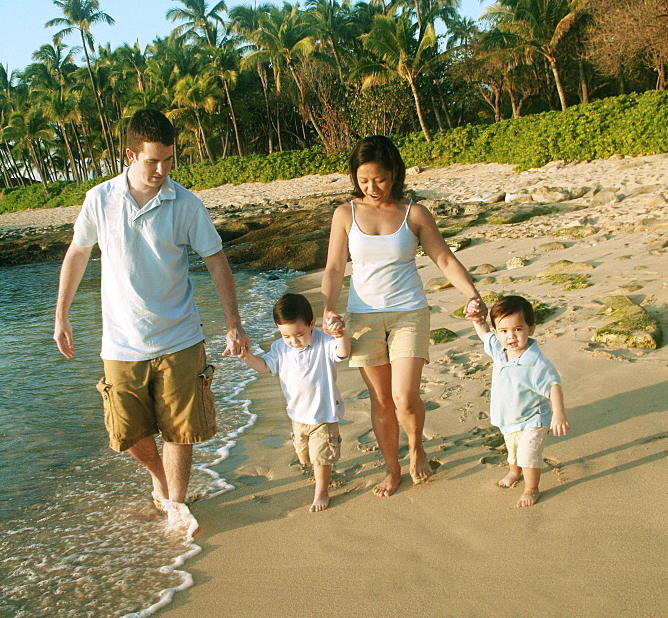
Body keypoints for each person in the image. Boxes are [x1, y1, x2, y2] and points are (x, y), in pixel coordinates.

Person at [53, 108, 249, 536]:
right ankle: (159, 479)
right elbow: (78, 253)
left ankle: (175, 504)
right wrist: (61, 314)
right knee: (127, 433)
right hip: (121, 343)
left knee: (181, 430)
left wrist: (233, 322)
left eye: (169, 160)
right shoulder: (99, 199)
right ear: (129, 154)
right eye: (152, 160)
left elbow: (215, 259)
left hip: (180, 336)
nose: (161, 170)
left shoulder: (186, 203)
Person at [321, 135, 486, 498]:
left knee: (405, 398)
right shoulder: (344, 214)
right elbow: (334, 267)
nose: (372, 187)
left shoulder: (414, 213)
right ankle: (392, 469)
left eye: (379, 179)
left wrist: (471, 294)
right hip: (363, 317)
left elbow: (443, 258)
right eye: (364, 180)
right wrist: (328, 307)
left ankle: (416, 448)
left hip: (409, 313)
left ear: (394, 172)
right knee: (380, 401)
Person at [237, 292, 351, 512]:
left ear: (311, 324)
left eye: (299, 334)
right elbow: (265, 367)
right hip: (297, 416)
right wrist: (245, 356)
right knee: (305, 456)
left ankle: (322, 491)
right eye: (286, 336)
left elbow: (343, 353)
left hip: (323, 413)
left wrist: (340, 335)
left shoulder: (324, 341)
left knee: (321, 457)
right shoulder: (280, 348)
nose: (294, 342)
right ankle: (319, 473)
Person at [468, 294, 569, 507]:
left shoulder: (535, 361)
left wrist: (558, 413)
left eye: (518, 329)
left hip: (533, 419)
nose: (511, 336)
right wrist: (478, 321)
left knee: (528, 455)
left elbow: (553, 385)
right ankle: (514, 473)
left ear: (531, 329)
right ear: (497, 332)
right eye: (504, 331)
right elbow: (485, 335)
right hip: (508, 418)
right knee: (512, 451)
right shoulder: (499, 351)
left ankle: (532, 488)